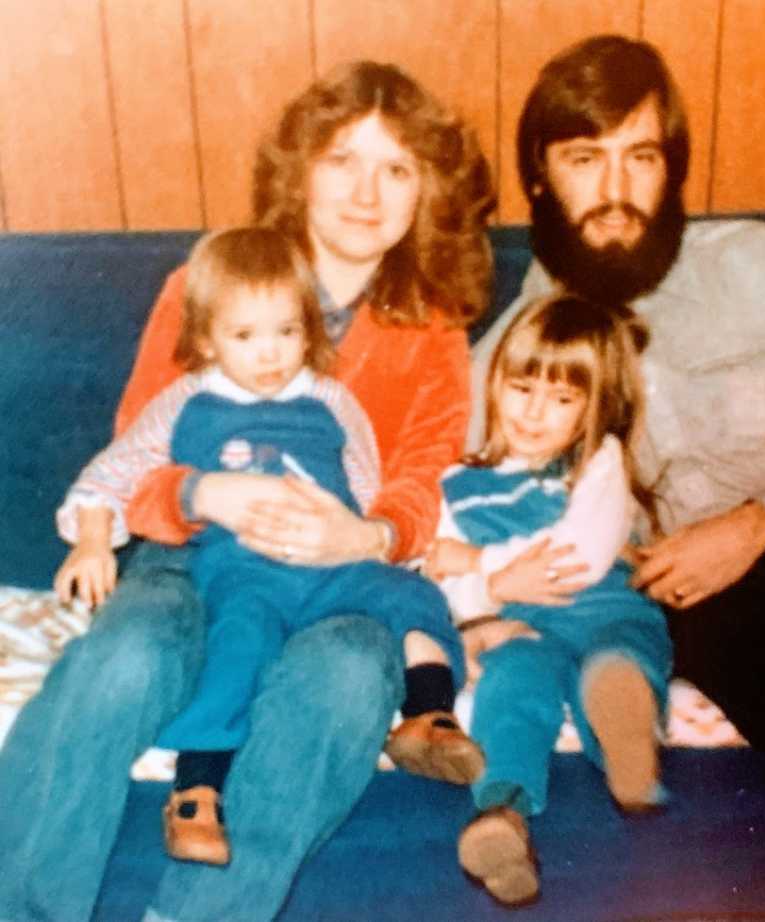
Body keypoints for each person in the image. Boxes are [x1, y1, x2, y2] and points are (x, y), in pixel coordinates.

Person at [0, 61, 493, 922]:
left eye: (397, 168)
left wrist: (367, 538)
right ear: (301, 167)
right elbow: (132, 459)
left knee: (343, 677)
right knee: (130, 653)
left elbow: (418, 485)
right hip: (188, 559)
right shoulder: (204, 284)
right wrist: (201, 493)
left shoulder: (435, 329)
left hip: (337, 588)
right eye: (343, 159)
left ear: (428, 192)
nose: (366, 193)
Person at [469, 34, 765, 920]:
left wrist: (754, 523)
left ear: (675, 169)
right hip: (706, 597)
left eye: (642, 157)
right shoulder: (513, 356)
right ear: (542, 179)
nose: (617, 189)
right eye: (586, 160)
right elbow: (434, 495)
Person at [53, 226, 481, 866]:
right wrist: (90, 543)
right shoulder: (187, 401)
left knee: (412, 595)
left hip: (329, 567)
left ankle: (427, 717)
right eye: (245, 336)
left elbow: (364, 484)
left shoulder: (332, 400)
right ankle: (196, 792)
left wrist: (362, 539)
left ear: (307, 329)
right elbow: (114, 473)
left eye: (286, 331)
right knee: (238, 648)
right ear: (206, 339)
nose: (270, 353)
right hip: (243, 567)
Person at [426, 294, 672, 905]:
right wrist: (488, 592)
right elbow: (437, 568)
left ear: (594, 407)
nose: (534, 413)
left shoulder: (598, 463)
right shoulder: (459, 482)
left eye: (562, 399)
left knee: (619, 652)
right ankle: (503, 815)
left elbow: (580, 558)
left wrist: (481, 564)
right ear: (496, 383)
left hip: (603, 608)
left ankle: (624, 734)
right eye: (521, 388)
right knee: (512, 686)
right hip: (518, 624)